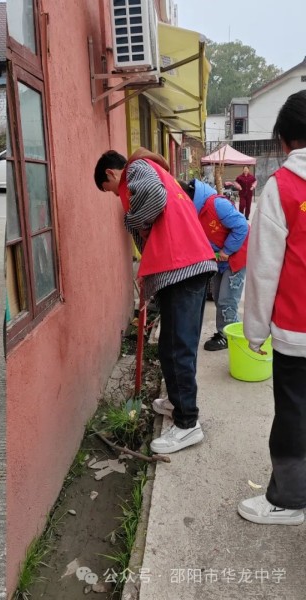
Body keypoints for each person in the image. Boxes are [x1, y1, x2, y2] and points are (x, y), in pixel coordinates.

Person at [94, 148, 217, 454]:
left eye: (110, 191)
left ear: (111, 174)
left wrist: (129, 220)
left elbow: (154, 199)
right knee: (169, 346)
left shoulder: (137, 169)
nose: (116, 196)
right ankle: (177, 402)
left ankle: (188, 424)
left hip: (183, 267)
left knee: (179, 349)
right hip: (184, 265)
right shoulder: (158, 172)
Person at [238, 90, 306, 525]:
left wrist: (255, 332)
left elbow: (263, 269)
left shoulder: (282, 187)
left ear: (283, 141)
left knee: (294, 415)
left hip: (298, 330)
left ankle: (289, 500)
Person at [179, 179, 249, 351]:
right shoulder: (193, 211)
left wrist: (227, 250)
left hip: (236, 257)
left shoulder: (216, 204)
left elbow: (242, 227)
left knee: (227, 299)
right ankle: (229, 328)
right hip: (219, 259)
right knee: (218, 296)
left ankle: (226, 336)